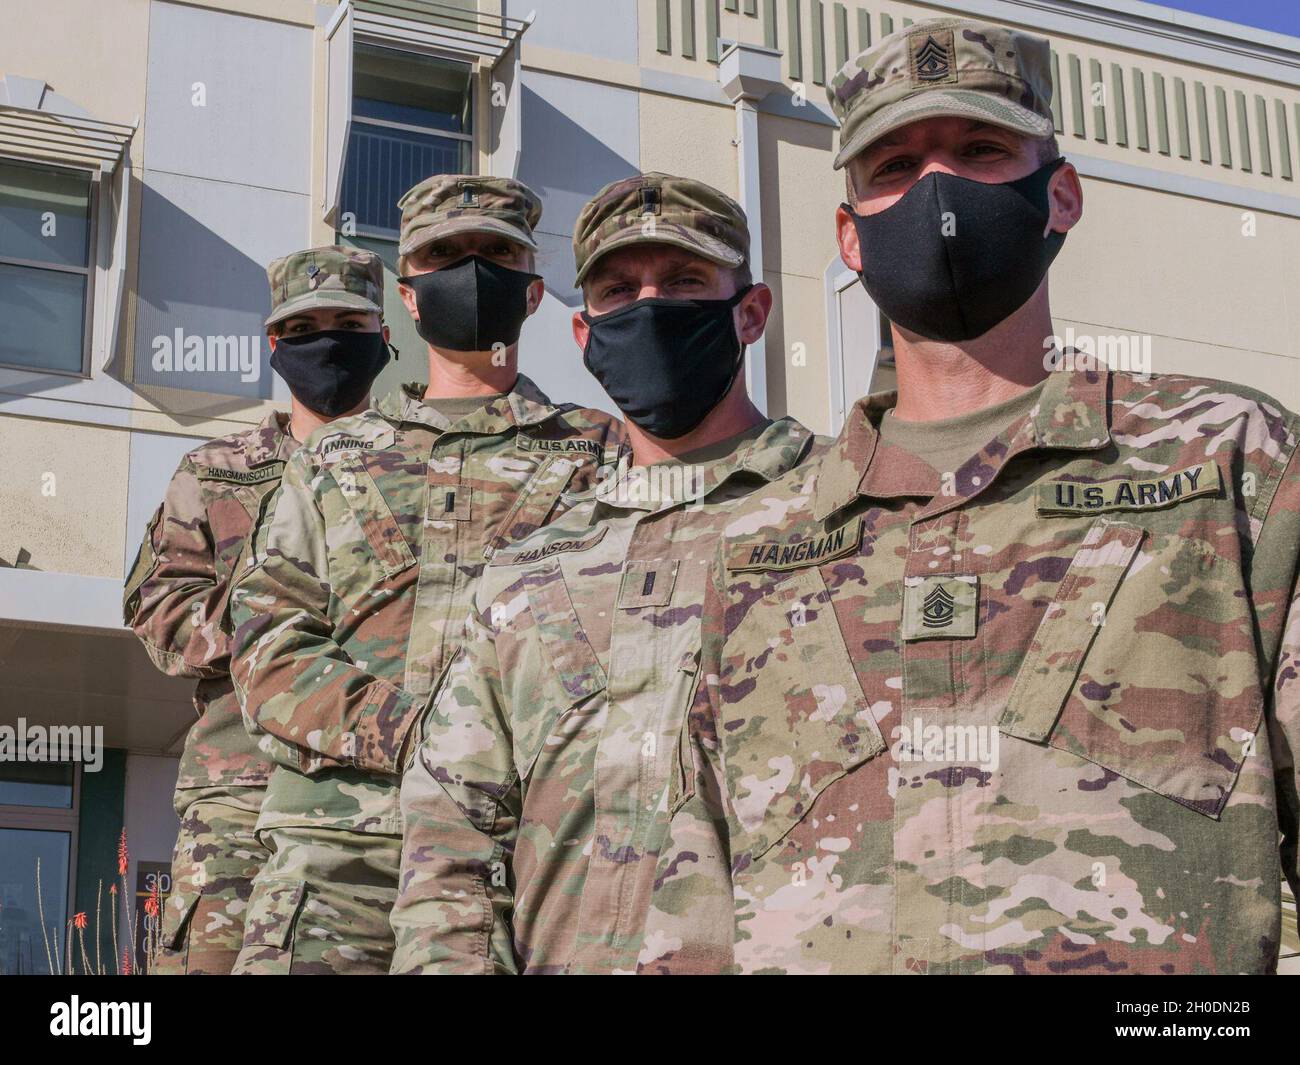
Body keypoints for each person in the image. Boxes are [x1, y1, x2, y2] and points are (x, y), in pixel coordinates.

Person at [675, 16, 1300, 974]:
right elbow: (697, 905)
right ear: (850, 234)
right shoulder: (758, 537)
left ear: (1060, 197)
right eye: (892, 166)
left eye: (979, 150)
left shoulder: (1231, 464)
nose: (937, 189)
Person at [388, 173, 820, 974]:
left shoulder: (847, 514)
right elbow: (450, 842)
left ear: (751, 313)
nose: (651, 306)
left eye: (686, 281)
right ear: (586, 336)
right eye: (620, 291)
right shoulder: (528, 574)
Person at [227, 176, 627, 974]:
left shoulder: (600, 456)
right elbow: (266, 645)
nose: (470, 271)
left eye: (495, 253)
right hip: (338, 853)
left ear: (535, 290)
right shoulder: (334, 458)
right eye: (446, 255)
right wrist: (418, 736)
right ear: (408, 296)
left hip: (518, 859)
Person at [123, 245, 391, 973]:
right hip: (236, 791)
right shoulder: (216, 472)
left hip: (374, 796)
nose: (328, 339)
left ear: (384, 333)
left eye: (348, 321)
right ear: (275, 344)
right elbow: (155, 604)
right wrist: (272, 625)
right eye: (305, 327)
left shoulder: (419, 464)